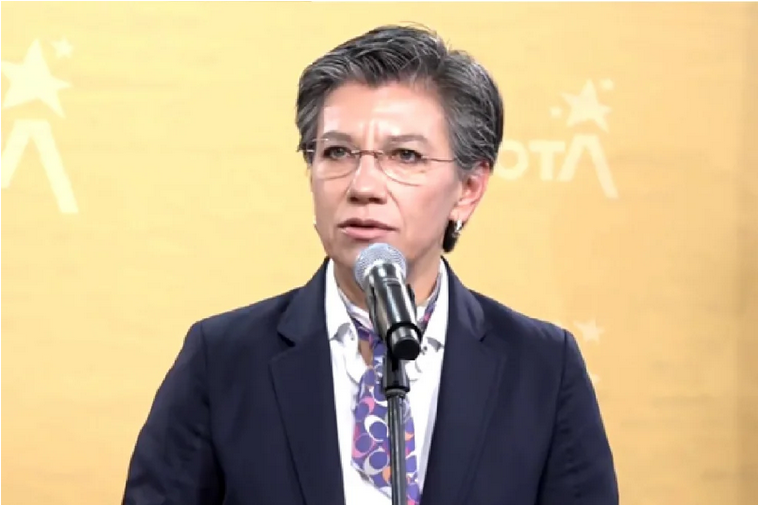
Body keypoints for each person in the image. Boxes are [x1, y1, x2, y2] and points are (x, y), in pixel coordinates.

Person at [121, 24, 619, 505]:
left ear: (468, 189)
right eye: (337, 152)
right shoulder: (223, 361)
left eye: (404, 156)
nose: (362, 186)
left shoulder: (542, 369)